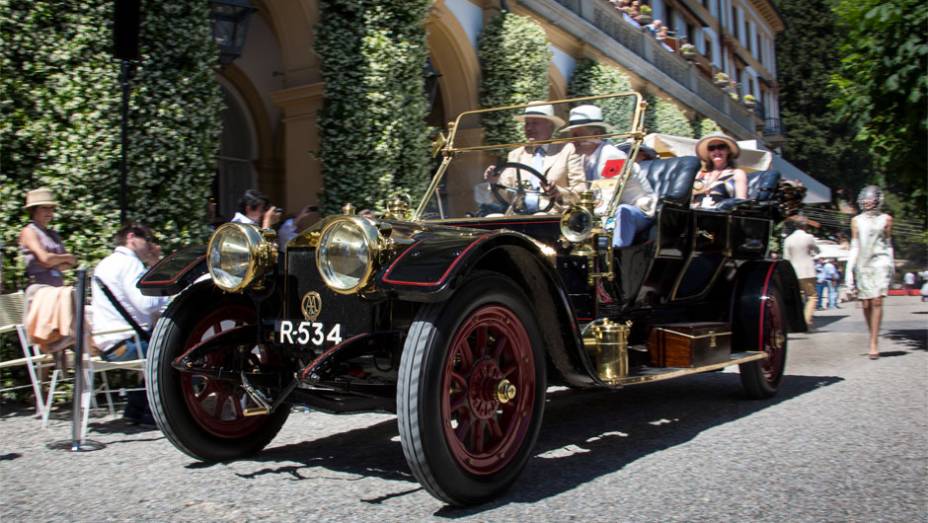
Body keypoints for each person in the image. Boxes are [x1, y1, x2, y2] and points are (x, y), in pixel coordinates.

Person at [91, 223, 168, 425]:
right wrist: (167, 297)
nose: (150, 246)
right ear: (132, 237)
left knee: (157, 346)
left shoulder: (105, 263)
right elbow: (146, 304)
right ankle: (154, 412)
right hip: (126, 343)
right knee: (175, 350)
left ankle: (135, 410)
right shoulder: (130, 264)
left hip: (108, 343)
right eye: (148, 240)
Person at [562, 105, 656, 248]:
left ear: (597, 135)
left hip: (636, 212)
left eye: (577, 135)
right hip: (609, 211)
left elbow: (607, 202)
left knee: (621, 212)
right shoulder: (584, 158)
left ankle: (614, 251)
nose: (572, 140)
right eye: (572, 135)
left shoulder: (612, 156)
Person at [483, 103, 584, 213]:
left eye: (535, 123)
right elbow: (506, 195)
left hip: (553, 215)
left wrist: (558, 192)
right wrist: (494, 181)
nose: (529, 128)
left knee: (540, 216)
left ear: (550, 125)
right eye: (527, 123)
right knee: (491, 219)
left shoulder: (567, 150)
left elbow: (581, 191)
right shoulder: (516, 155)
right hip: (519, 214)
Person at [18, 188, 79, 355]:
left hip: (56, 289)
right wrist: (60, 258)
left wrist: (55, 260)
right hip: (39, 290)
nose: (49, 212)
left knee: (72, 297)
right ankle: (66, 338)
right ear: (34, 210)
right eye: (44, 208)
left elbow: (68, 264)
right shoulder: (29, 232)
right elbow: (45, 258)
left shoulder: (52, 234)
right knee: (71, 297)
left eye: (51, 208)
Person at [845, 185, 894, 359]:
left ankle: (874, 342)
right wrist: (848, 272)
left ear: (878, 200)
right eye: (865, 198)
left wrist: (891, 265)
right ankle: (872, 332)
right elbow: (854, 246)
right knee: (866, 304)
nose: (867, 201)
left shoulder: (886, 219)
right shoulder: (856, 221)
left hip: (880, 262)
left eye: (870, 198)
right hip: (862, 264)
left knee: (877, 301)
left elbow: (888, 244)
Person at [691, 133, 748, 209]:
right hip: (695, 215)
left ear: (728, 150)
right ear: (708, 153)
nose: (716, 151)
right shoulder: (700, 174)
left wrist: (717, 207)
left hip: (722, 217)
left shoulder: (737, 173)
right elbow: (690, 198)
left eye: (721, 147)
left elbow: (741, 201)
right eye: (711, 148)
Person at [782, 217, 820, 327]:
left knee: (796, 297)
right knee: (812, 296)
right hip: (807, 271)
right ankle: (806, 320)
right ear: (805, 226)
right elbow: (817, 251)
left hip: (793, 271)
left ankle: (794, 321)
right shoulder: (809, 237)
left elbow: (786, 258)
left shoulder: (788, 239)